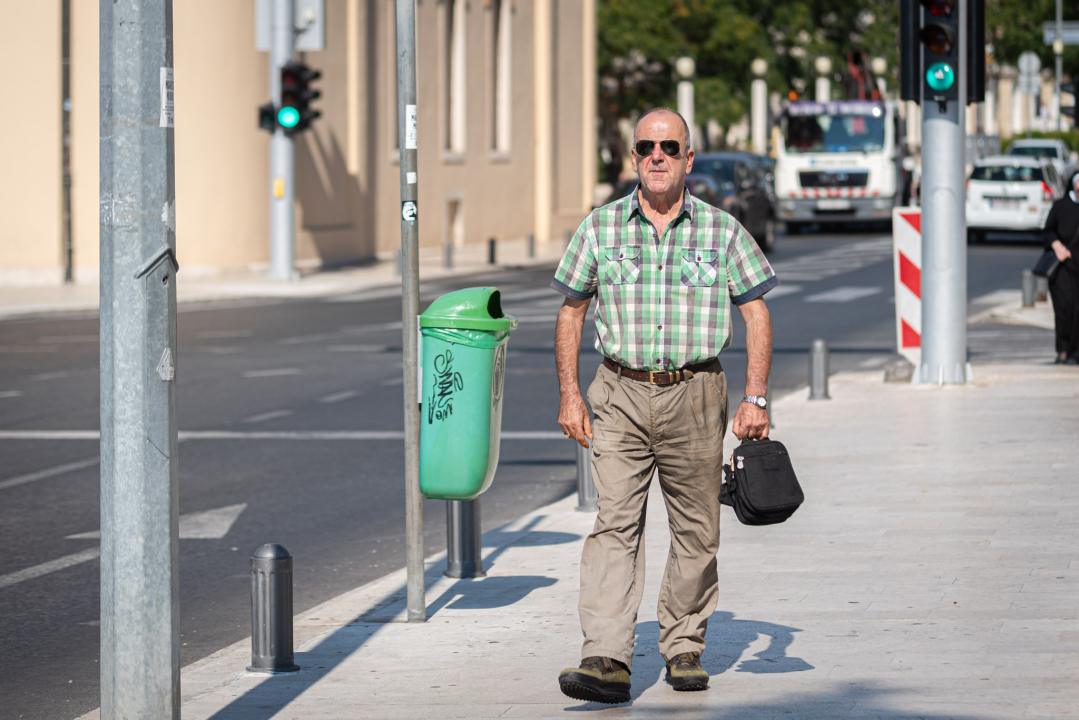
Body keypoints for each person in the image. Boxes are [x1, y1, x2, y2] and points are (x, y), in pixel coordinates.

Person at [551, 107, 778, 703]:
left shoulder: (722, 230)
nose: (657, 156)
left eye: (669, 147)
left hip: (697, 393)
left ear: (687, 160)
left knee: (697, 528)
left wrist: (755, 397)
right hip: (620, 391)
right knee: (614, 524)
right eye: (647, 146)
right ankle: (605, 657)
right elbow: (571, 311)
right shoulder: (600, 228)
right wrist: (571, 394)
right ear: (633, 157)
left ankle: (682, 645)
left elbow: (756, 313)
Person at [1042, 170, 1079, 364]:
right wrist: (1057, 246)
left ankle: (1076, 352)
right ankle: (1063, 349)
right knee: (1064, 307)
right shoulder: (1061, 206)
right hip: (1063, 266)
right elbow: (1048, 231)